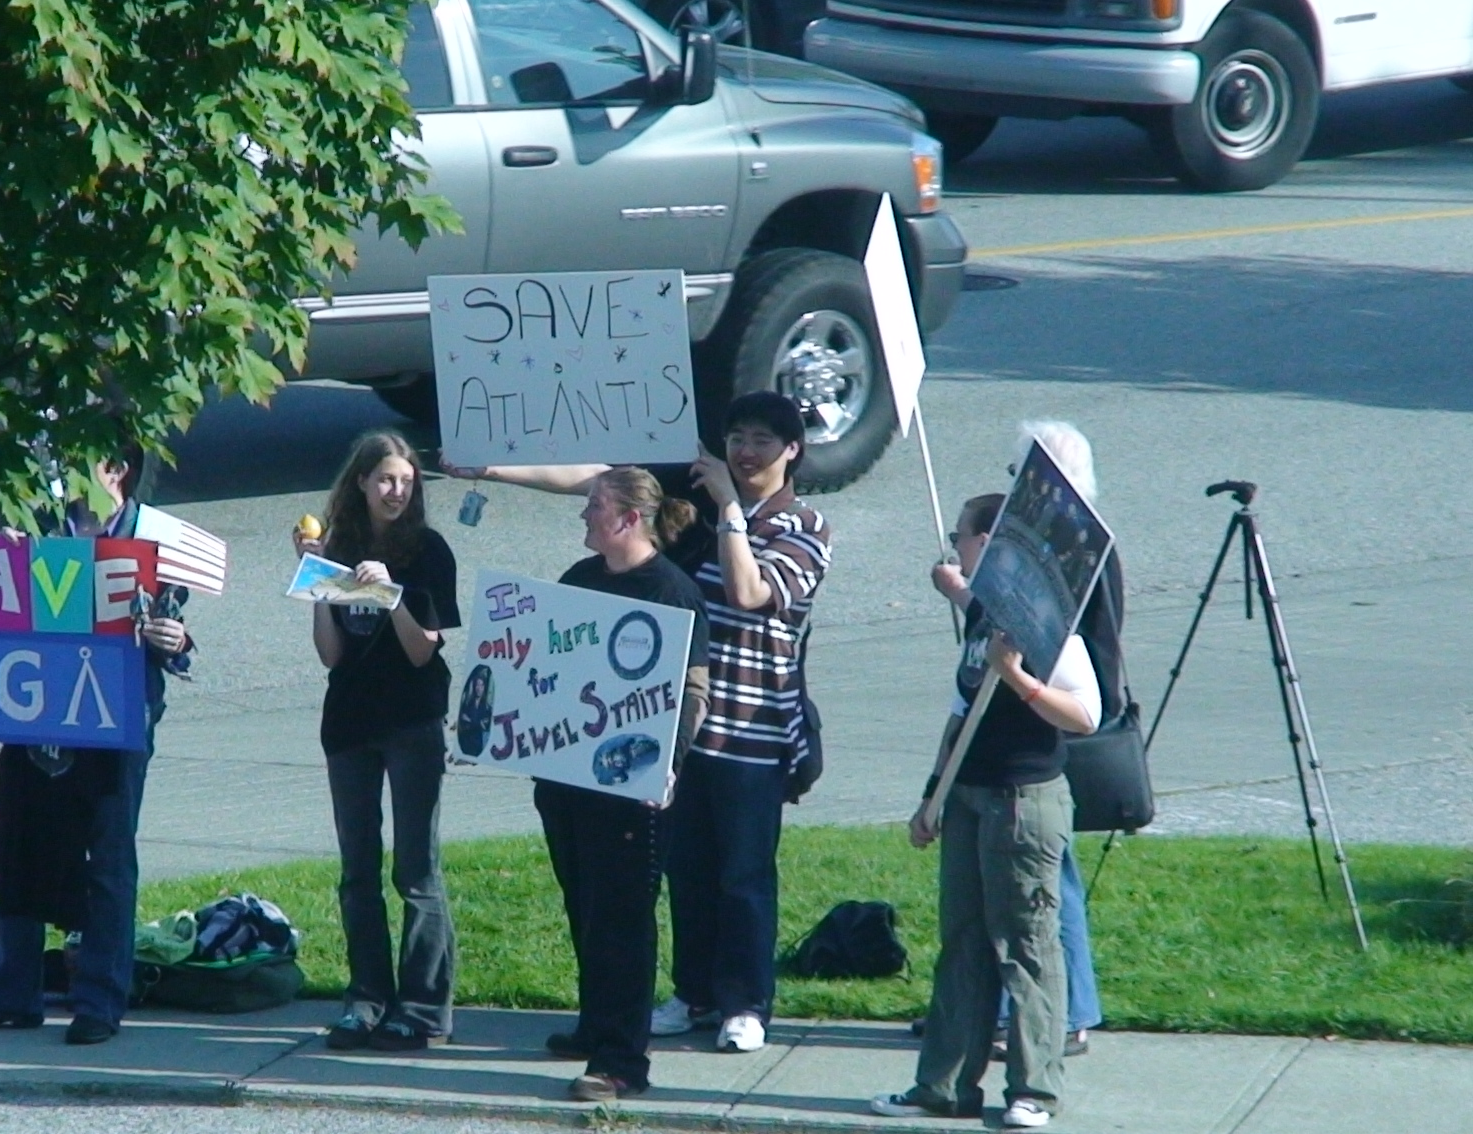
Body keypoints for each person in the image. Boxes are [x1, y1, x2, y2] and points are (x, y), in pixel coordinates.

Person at [455, 391, 831, 1056]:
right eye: (737, 437)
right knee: (687, 870)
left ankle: (745, 1001)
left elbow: (749, 592)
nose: (745, 451)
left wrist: (730, 511)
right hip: (675, 725)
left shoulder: (803, 527)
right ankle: (693, 992)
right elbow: (599, 479)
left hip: (752, 725)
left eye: (762, 441)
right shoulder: (694, 504)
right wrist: (492, 470)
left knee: (743, 873)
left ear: (792, 451)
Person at [0, 433, 194, 1046]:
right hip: (37, 707)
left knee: (107, 857)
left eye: (82, 463)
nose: (65, 475)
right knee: (16, 845)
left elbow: (178, 630)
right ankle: (12, 991)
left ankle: (100, 1001)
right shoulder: (42, 531)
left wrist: (174, 640)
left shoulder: (153, 537)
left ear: (118, 471)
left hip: (116, 717)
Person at [872, 491, 1101, 1129]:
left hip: (1023, 803)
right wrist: (933, 795)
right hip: (969, 796)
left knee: (1026, 948)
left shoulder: (1047, 627)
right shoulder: (983, 614)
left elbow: (1085, 715)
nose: (956, 549)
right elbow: (960, 712)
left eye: (962, 538)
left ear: (989, 543)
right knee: (963, 945)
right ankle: (944, 1086)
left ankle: (1034, 1090)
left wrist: (1021, 679)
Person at [923, 423, 1115, 1061]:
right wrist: (966, 592)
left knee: (1045, 901)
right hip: (994, 757)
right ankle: (996, 1021)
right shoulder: (1020, 568)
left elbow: (1078, 656)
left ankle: (1066, 1018)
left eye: (1019, 475)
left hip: (1041, 744)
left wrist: (1022, 679)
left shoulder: (1074, 554)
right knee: (1009, 905)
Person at [537, 467, 712, 1103]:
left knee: (623, 919)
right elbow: (543, 668)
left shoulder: (672, 591)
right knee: (586, 905)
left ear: (629, 518)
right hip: (567, 779)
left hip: (633, 787)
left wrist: (669, 763)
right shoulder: (579, 580)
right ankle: (596, 1024)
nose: (584, 515)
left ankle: (621, 1063)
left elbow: (694, 694)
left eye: (594, 506)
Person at [295, 430, 460, 1052]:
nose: (397, 491)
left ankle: (422, 1009)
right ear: (361, 482)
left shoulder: (428, 552)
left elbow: (422, 651)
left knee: (416, 871)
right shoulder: (339, 547)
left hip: (412, 720)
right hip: (350, 721)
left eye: (407, 481)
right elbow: (331, 654)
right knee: (356, 871)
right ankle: (366, 999)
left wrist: (389, 596)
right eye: (386, 479)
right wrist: (316, 581)